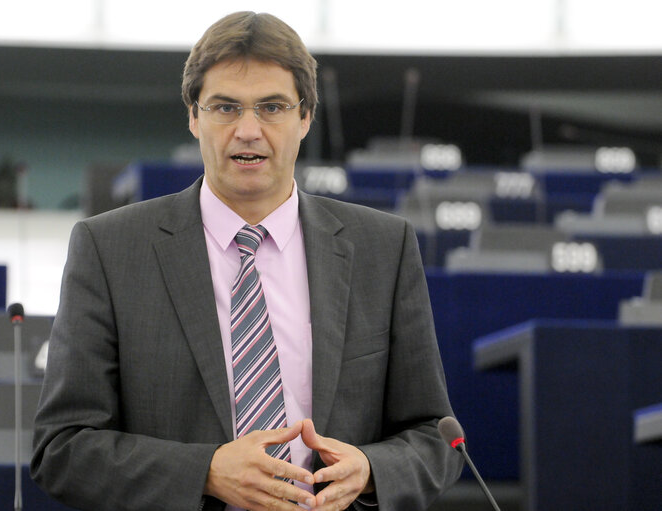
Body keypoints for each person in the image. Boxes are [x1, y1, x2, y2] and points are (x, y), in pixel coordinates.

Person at [31, 11, 462, 511]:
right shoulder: (108, 249)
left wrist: (370, 470)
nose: (249, 130)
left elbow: (436, 438)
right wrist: (207, 472)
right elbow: (61, 448)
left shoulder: (383, 248)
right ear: (194, 117)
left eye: (273, 107)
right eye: (226, 108)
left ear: (305, 118)